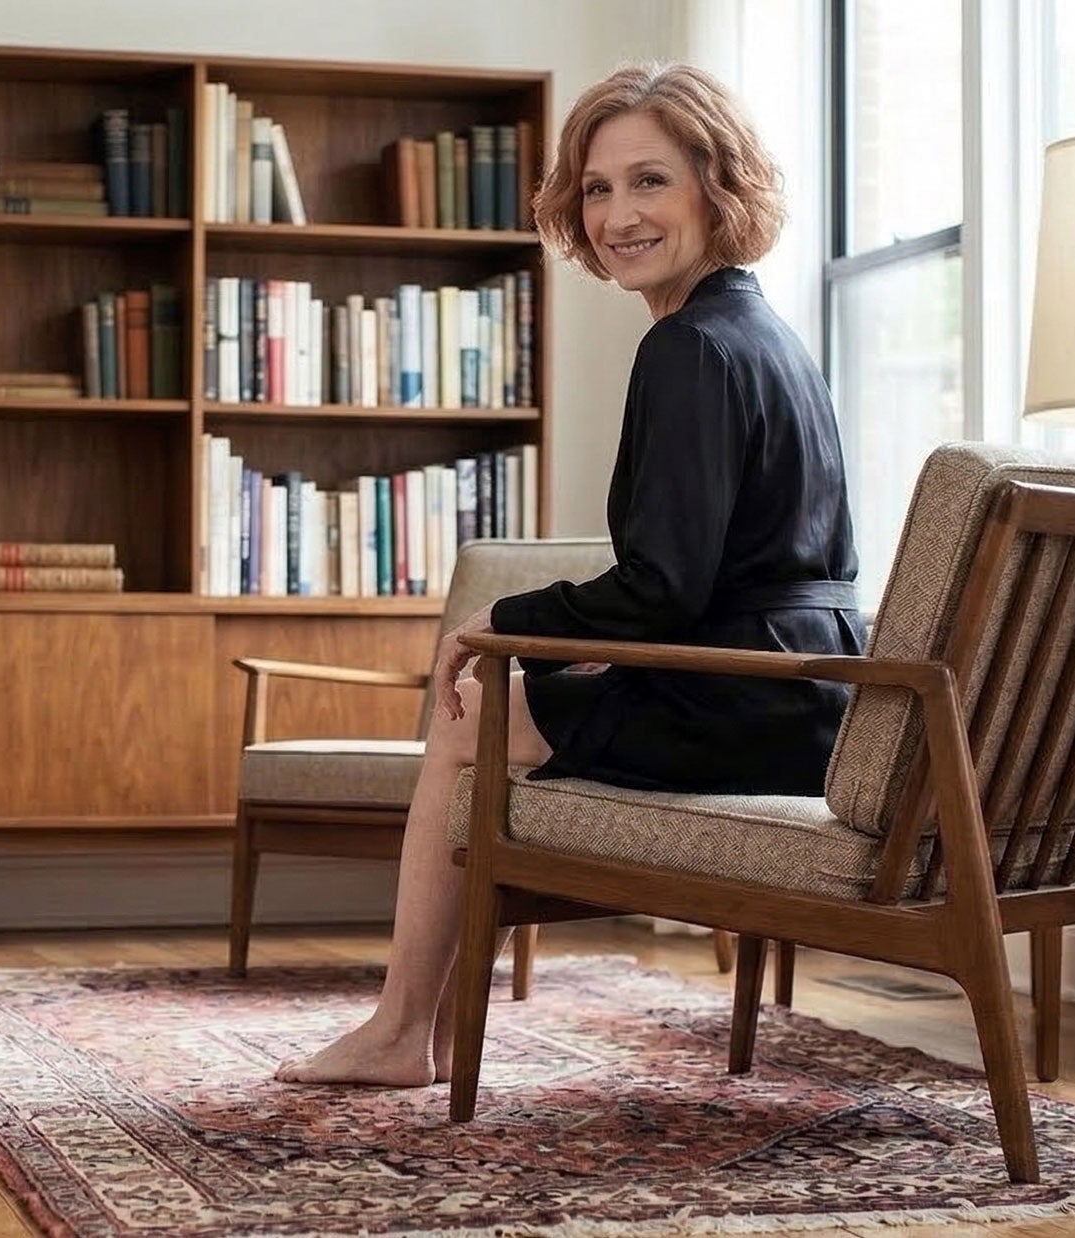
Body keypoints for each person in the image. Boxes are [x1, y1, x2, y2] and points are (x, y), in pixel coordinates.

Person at [275, 62, 863, 1087]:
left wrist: (503, 617)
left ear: (713, 189)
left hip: (749, 699)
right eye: (597, 188)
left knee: (470, 717)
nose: (617, 214)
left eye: (650, 181)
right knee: (514, 705)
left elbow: (662, 586)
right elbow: (707, 579)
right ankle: (428, 1026)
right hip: (805, 687)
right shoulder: (764, 334)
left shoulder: (689, 346)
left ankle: (401, 1029)